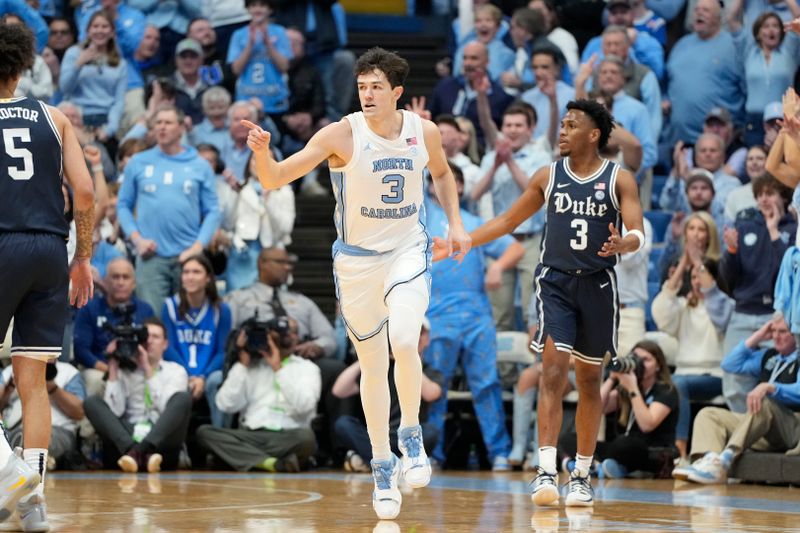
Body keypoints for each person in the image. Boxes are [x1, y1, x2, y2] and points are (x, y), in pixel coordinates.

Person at [243, 47, 471, 520]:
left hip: (408, 248)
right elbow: (276, 179)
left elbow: (444, 174)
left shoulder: (422, 130)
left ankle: (410, 433)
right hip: (357, 263)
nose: (367, 94)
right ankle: (382, 463)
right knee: (372, 364)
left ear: (397, 93)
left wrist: (456, 224)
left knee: (406, 338)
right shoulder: (342, 133)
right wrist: (264, 154)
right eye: (362, 86)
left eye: (376, 87)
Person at [435, 99, 645, 507]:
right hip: (556, 284)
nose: (562, 131)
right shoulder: (548, 175)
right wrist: (462, 241)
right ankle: (546, 470)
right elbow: (507, 222)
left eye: (571, 125)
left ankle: (581, 473)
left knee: (587, 382)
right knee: (551, 370)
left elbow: (638, 230)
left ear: (593, 134)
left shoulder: (620, 178)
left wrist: (626, 242)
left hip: (599, 285)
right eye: (562, 124)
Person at [0, 21, 95, 530]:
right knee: (32, 381)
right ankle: (33, 502)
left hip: (1, 243)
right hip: (49, 250)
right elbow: (83, 193)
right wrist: (82, 257)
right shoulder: (54, 117)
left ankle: (6, 472)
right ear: (21, 67)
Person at [116, 104, 221, 314]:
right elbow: (123, 205)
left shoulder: (200, 165)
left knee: (188, 319)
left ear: (181, 127)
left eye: (168, 122)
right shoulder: (138, 162)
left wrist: (198, 246)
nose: (162, 128)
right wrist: (137, 239)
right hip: (150, 256)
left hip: (188, 256)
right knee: (151, 321)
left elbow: (213, 210)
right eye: (158, 123)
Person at [673, 316, 800, 484]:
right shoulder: (771, 357)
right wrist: (759, 336)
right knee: (708, 414)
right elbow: (729, 364)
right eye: (773, 331)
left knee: (765, 401)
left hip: (792, 427)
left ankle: (726, 458)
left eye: (782, 331)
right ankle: (709, 462)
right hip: (764, 427)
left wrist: (770, 387)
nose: (776, 336)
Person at [196, 317, 321, 472]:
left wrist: (278, 369)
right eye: (281, 332)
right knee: (204, 433)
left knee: (307, 439)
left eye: (293, 331)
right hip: (251, 434)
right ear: (268, 335)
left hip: (288, 436)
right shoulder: (250, 367)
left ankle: (245, 458)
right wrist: (242, 364)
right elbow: (225, 405)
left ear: (298, 338)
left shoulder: (307, 368)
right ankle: (271, 463)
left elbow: (305, 406)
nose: (288, 335)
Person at [332, 319, 443, 471]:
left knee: (430, 431)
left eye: (417, 333)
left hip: (408, 437)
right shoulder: (378, 367)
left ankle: (374, 463)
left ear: (426, 339)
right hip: (376, 437)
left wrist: (405, 358)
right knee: (343, 424)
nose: (412, 337)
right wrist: (370, 355)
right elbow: (339, 390)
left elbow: (431, 394)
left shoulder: (429, 371)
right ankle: (395, 464)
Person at [83, 317, 191, 473]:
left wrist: (147, 369)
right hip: (129, 434)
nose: (150, 341)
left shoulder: (176, 371)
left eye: (156, 337)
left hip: (162, 442)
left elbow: (163, 410)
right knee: (91, 402)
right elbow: (115, 412)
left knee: (183, 398)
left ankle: (138, 452)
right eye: (146, 336)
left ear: (165, 344)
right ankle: (135, 451)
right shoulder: (124, 370)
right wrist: (113, 368)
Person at [559, 340, 678, 479]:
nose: (640, 363)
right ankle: (606, 467)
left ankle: (594, 466)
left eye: (646, 360)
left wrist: (633, 389)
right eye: (636, 358)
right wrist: (611, 379)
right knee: (569, 439)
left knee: (625, 444)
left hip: (652, 452)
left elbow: (647, 425)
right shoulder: (625, 388)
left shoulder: (666, 390)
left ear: (658, 366)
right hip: (620, 450)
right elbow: (596, 410)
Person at [162, 254, 232, 428]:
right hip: (180, 369)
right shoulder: (170, 306)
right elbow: (168, 347)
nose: (190, 277)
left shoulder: (221, 310)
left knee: (218, 380)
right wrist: (187, 375)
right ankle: (175, 444)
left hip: (208, 373)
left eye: (196, 272)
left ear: (208, 278)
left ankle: (220, 438)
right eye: (186, 272)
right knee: (174, 379)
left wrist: (202, 376)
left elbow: (223, 351)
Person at [73, 257, 155, 397]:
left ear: (134, 283)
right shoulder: (89, 309)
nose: (120, 282)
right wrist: (110, 369)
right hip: (101, 368)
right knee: (94, 381)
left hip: (137, 367)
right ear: (105, 281)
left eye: (125, 277)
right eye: (115, 277)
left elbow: (153, 346)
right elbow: (81, 351)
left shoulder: (145, 310)